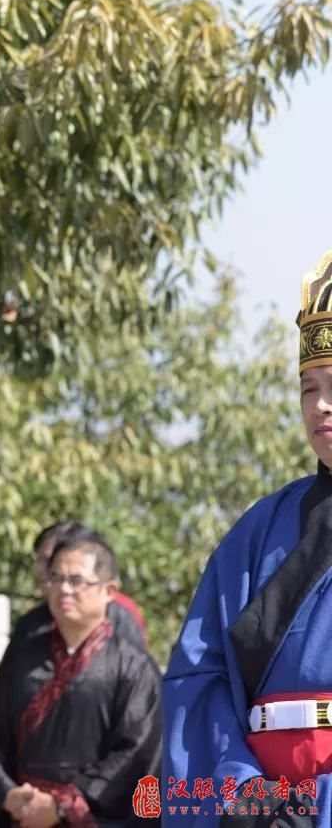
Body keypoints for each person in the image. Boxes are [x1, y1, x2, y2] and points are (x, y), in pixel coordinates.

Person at [164, 251, 332, 824]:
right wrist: (245, 794)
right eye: (308, 389)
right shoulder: (259, 528)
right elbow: (198, 675)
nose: (321, 406)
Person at [0, 524, 161, 827]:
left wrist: (62, 806)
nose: (64, 589)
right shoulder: (23, 655)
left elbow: (136, 753)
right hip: (22, 812)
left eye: (77, 581)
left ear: (109, 591)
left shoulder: (134, 667)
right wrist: (5, 792)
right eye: (56, 578)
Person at [7, 520, 147, 649]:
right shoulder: (32, 623)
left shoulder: (121, 614)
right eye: (40, 560)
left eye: (51, 560)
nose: (43, 570)